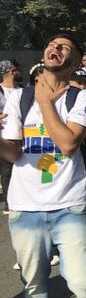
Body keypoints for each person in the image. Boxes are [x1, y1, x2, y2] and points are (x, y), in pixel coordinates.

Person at [0, 34, 86, 298]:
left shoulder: (81, 98)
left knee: (83, 282)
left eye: (64, 47)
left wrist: (46, 103)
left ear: (76, 61)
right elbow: (13, 154)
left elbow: (67, 144)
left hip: (69, 207)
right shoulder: (19, 98)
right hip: (25, 209)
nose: (55, 48)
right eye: (52, 44)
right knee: (34, 284)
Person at [0, 60, 22, 213]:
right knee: (7, 170)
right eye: (17, 68)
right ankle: (9, 202)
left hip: (22, 137)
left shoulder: (23, 90)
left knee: (20, 168)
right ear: (11, 71)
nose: (19, 71)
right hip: (3, 137)